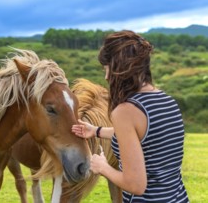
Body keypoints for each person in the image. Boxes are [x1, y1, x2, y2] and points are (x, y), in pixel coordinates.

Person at [72, 30, 189, 202]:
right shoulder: (167, 101)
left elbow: (136, 185)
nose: (106, 77)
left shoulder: (126, 111)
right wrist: (96, 130)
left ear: (120, 68)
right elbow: (144, 137)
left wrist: (102, 167)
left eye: (107, 69)